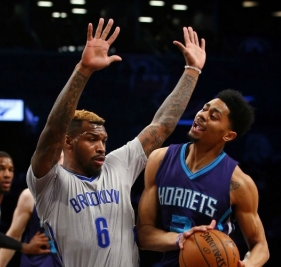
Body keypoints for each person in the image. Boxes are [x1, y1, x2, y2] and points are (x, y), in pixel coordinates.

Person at [26, 18, 206, 266]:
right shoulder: (50, 183)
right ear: (68, 142)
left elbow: (161, 126)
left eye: (104, 139)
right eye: (91, 139)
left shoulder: (117, 165)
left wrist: (192, 71)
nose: (101, 146)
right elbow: (53, 131)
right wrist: (83, 70)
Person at [136, 89, 270, 267]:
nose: (202, 115)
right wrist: (181, 239)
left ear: (228, 135)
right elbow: (144, 236)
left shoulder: (238, 183)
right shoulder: (159, 159)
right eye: (204, 108)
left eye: (214, 116)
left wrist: (248, 265)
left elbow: (260, 246)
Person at [0, 153, 64, 267]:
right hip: (38, 262)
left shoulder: (82, 195)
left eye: (64, 158)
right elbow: (14, 235)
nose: (61, 163)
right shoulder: (29, 196)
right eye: (57, 158)